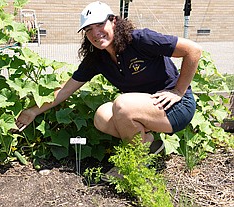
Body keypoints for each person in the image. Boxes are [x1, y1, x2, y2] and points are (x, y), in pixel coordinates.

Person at [15, 1, 201, 157]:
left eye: (99, 25)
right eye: (88, 29)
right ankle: (148, 144)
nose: (95, 33)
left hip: (176, 107)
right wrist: (33, 111)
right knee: (102, 116)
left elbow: (193, 50)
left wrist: (178, 91)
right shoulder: (97, 58)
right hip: (145, 109)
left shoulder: (140, 40)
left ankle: (134, 163)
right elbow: (65, 90)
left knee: (122, 104)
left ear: (113, 21)